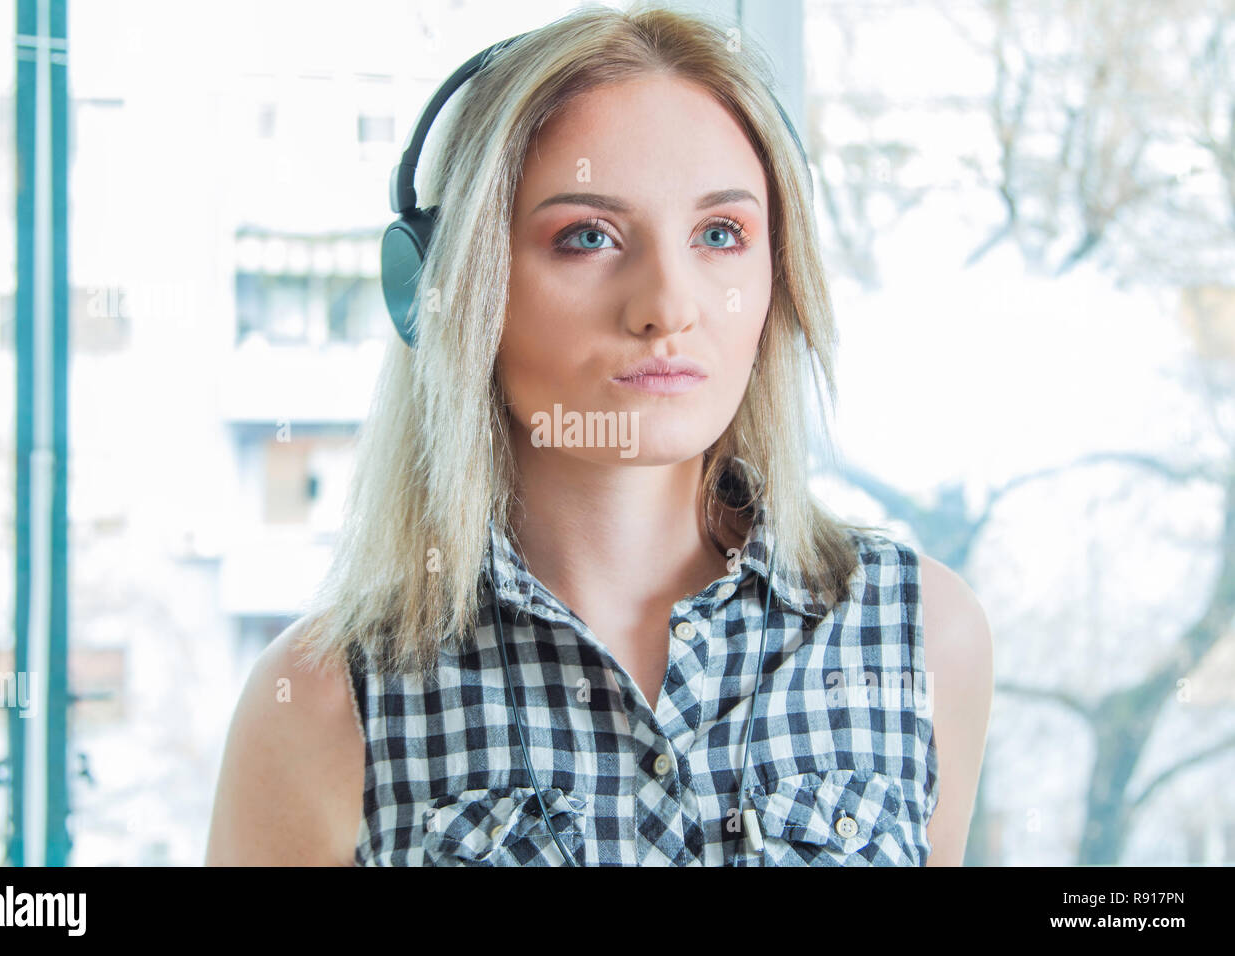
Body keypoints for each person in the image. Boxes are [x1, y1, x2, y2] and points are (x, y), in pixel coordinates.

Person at [205, 1, 992, 867]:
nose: (668, 306)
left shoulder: (920, 637)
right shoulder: (323, 703)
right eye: (588, 236)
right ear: (451, 285)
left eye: (720, 234)